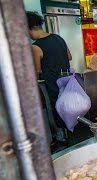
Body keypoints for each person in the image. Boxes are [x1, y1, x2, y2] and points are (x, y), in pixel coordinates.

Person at [26, 11, 72, 143]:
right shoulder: (58, 38)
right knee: (66, 106)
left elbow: (37, 70)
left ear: (29, 28)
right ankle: (71, 131)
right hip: (66, 80)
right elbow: (69, 57)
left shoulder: (36, 46)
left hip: (52, 83)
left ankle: (60, 136)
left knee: (54, 108)